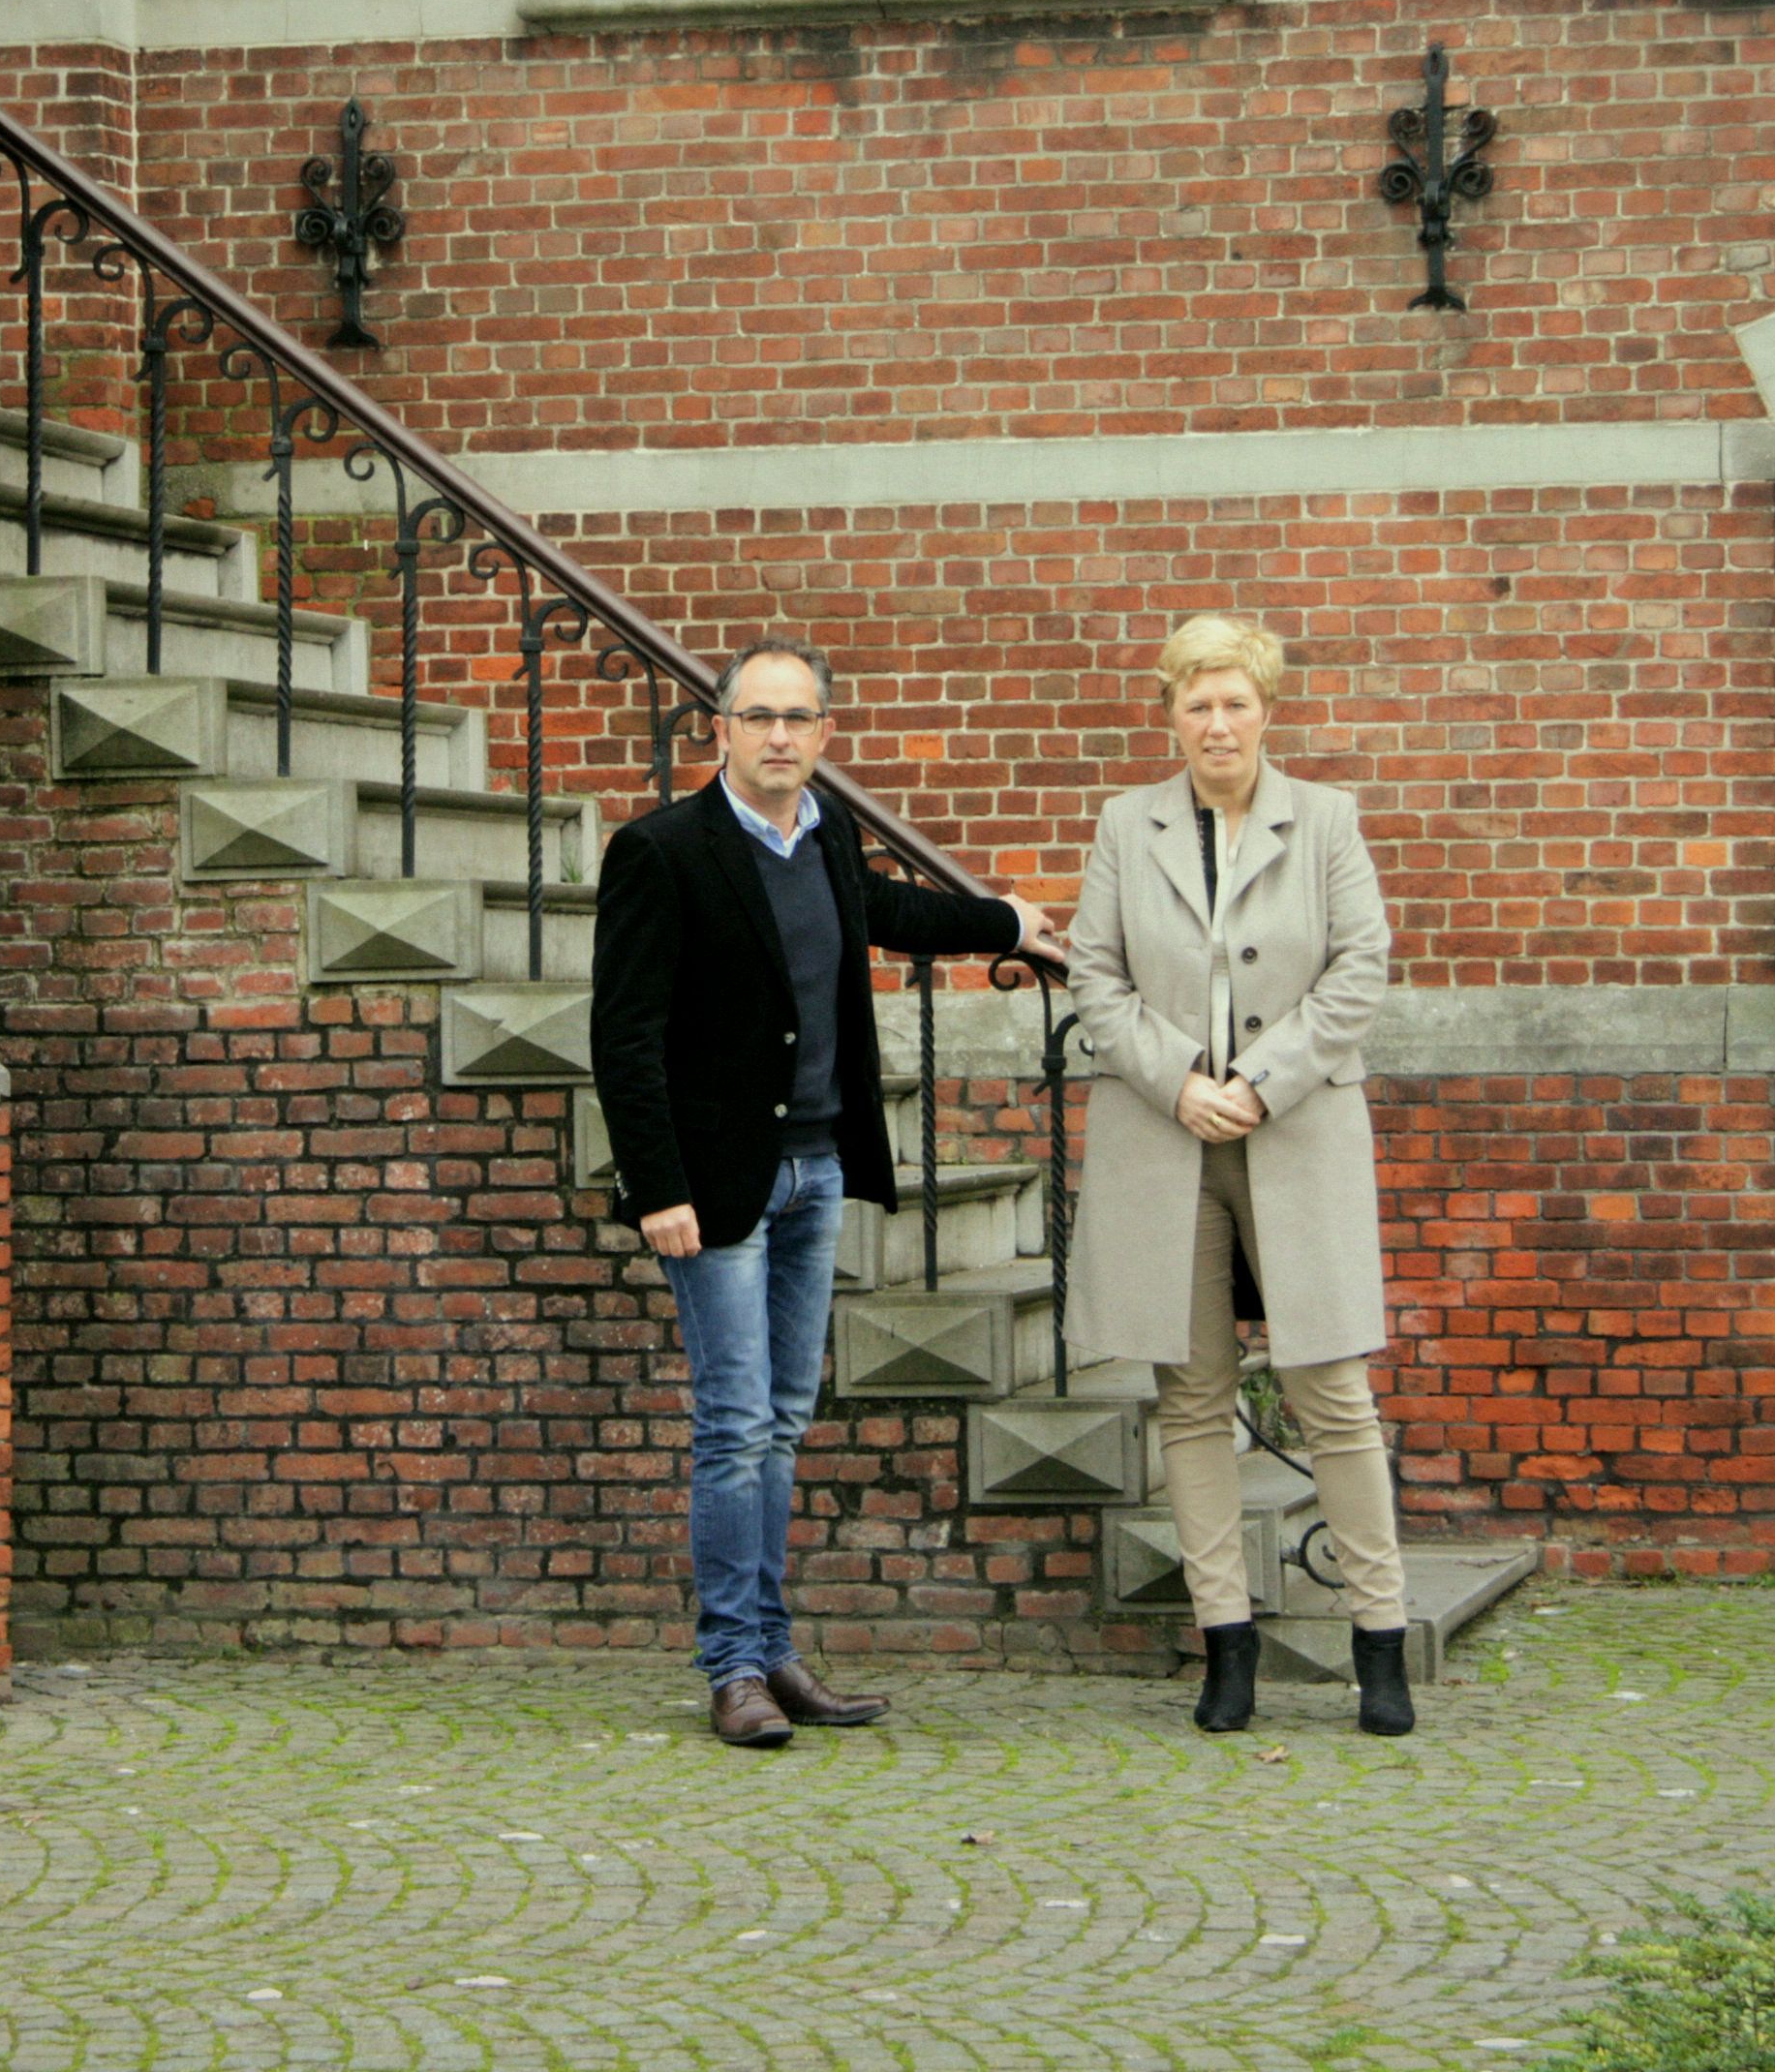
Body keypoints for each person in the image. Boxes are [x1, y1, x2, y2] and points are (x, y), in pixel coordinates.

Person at [592, 636, 1066, 1750]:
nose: (779, 737)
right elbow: (624, 1036)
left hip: (816, 1168)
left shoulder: (828, 837)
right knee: (734, 1424)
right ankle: (732, 1668)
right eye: (758, 717)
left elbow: (891, 912)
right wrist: (656, 1184)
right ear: (719, 729)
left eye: (798, 719)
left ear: (824, 735)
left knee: (786, 1422)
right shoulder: (663, 852)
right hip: (716, 1190)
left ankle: (773, 1651)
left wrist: (1005, 923)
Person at [1062, 614, 1412, 1737]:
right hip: (1167, 1141)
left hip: (1296, 1129)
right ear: (1171, 711)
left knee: (1332, 1393)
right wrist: (1180, 1082)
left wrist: (1260, 1080)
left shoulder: (1328, 822)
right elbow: (1094, 976)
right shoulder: (1128, 824)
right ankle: (1228, 1646)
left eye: (1236, 703)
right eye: (1196, 703)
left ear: (1268, 709)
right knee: (1193, 1397)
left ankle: (1381, 1641)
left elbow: (1361, 969)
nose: (1217, 723)